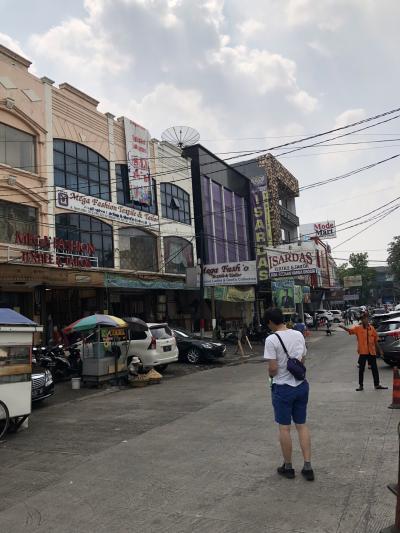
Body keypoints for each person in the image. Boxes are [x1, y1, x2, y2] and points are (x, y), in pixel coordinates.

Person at [264, 308, 314, 481]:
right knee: (302, 425)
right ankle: (307, 467)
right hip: (301, 385)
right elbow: (302, 360)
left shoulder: (271, 339)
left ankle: (288, 467)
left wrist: (271, 377)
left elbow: (272, 368)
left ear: (270, 322)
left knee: (285, 428)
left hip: (283, 388)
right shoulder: (298, 334)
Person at [339, 314, 388, 391]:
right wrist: (343, 327)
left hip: (371, 352)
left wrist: (380, 351)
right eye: (364, 319)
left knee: (374, 369)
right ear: (362, 320)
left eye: (366, 319)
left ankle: (377, 385)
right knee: (361, 369)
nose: (365, 320)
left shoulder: (372, 329)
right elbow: (350, 331)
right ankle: (361, 385)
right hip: (363, 352)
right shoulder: (358, 328)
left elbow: (376, 341)